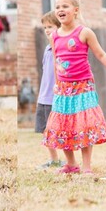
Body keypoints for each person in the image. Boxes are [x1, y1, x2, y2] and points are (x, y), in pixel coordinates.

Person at [42, 0, 106, 175]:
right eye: (57, 7)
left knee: (83, 126)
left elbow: (102, 55)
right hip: (63, 89)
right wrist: (57, 85)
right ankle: (71, 164)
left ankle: (86, 166)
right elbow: (56, 63)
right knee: (62, 125)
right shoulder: (54, 35)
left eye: (65, 6)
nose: (60, 9)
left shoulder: (84, 32)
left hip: (82, 86)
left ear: (75, 10)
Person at [36, 11, 63, 170]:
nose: (47, 30)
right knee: (45, 130)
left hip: (56, 97)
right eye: (45, 27)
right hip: (43, 97)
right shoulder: (47, 49)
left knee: (60, 131)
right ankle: (54, 160)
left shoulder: (60, 48)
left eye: (50, 26)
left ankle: (69, 159)